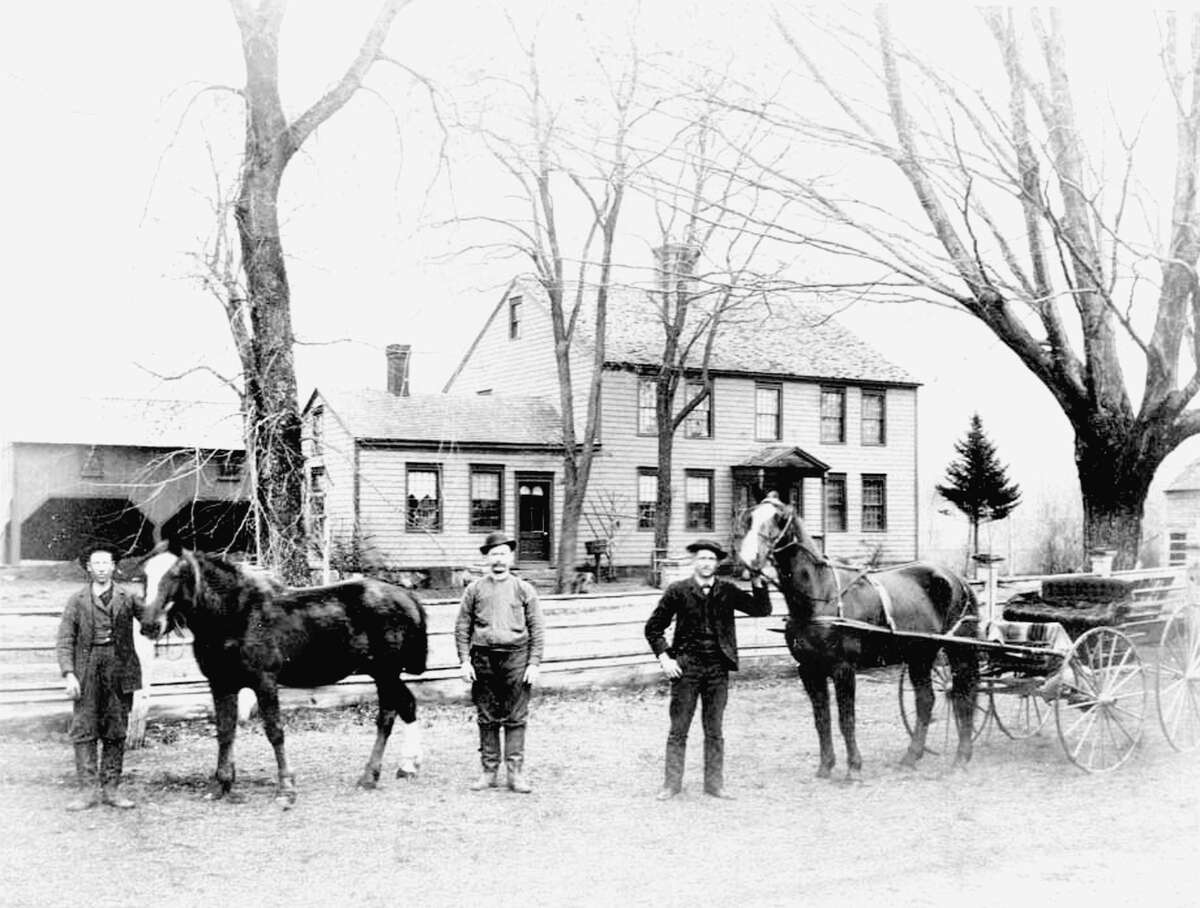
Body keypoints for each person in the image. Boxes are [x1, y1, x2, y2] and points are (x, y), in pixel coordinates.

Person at [644, 538, 771, 800]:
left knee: (714, 730)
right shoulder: (677, 591)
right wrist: (666, 659)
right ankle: (671, 785)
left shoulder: (728, 590)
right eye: (702, 558)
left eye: (711, 559)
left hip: (717, 669)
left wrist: (758, 580)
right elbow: (653, 628)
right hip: (686, 669)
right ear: (694, 562)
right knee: (678, 729)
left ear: (717, 563)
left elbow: (761, 609)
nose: (706, 563)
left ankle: (714, 785)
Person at [455, 530, 545, 793]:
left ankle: (515, 774)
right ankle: (489, 771)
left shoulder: (524, 589)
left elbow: (537, 628)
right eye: (494, 554)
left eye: (503, 554)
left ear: (510, 556)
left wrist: (534, 663)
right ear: (487, 558)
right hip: (482, 658)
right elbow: (462, 627)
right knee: (486, 716)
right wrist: (464, 661)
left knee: (516, 716)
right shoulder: (474, 589)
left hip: (517, 658)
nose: (498, 560)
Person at [56, 543, 143, 810]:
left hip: (119, 667)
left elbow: (152, 621)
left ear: (114, 566)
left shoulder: (127, 597)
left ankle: (112, 789)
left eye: (107, 563)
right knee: (84, 728)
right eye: (97, 564)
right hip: (87, 668)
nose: (102, 568)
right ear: (88, 568)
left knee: (116, 729)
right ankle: (87, 792)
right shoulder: (77, 600)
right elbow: (65, 639)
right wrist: (69, 674)